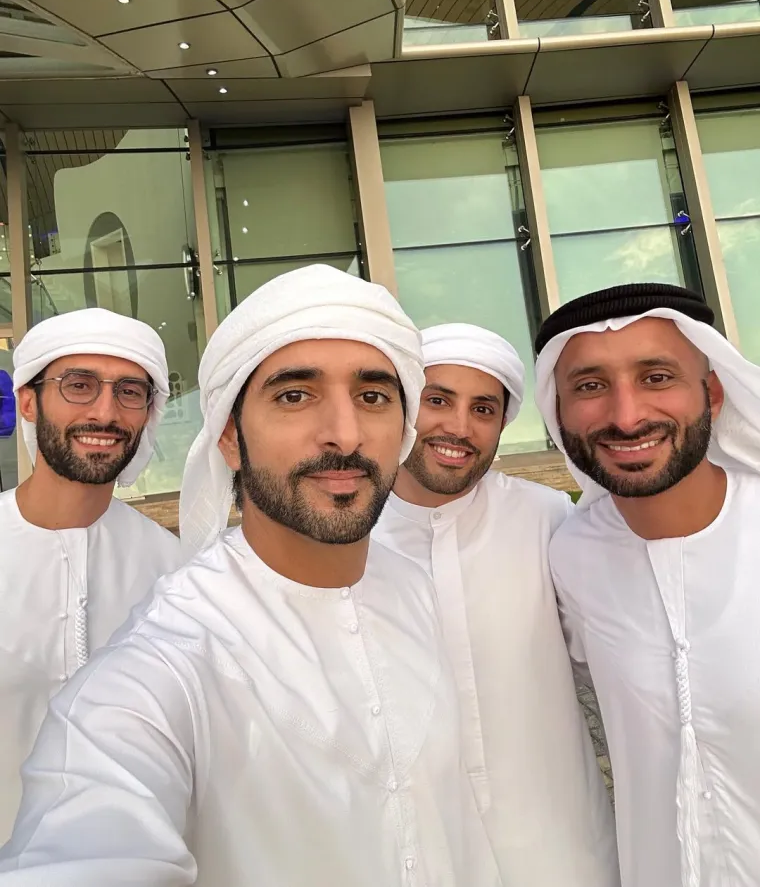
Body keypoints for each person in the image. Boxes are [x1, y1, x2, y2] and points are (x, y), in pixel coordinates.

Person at [0, 266, 501, 887]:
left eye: (373, 397)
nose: (344, 435)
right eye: (294, 396)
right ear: (230, 438)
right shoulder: (168, 660)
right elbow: (91, 840)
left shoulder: (411, 586)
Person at [373, 322, 619, 887]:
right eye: (438, 400)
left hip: (562, 850)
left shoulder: (548, 518)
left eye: (483, 409)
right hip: (417, 857)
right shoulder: (348, 538)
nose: (459, 427)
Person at [534, 282, 760, 887]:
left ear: (713, 393)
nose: (626, 415)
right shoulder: (569, 557)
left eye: (657, 377)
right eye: (589, 386)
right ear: (558, 412)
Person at [0, 308, 180, 843]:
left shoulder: (176, 571)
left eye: (130, 392)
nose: (106, 412)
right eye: (78, 385)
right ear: (28, 401)